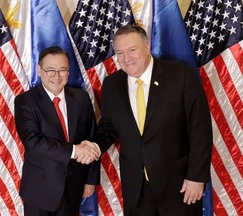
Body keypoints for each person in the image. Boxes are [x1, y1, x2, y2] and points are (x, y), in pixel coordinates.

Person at [79, 25, 213, 215]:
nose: (126, 58)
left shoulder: (181, 76)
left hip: (179, 185)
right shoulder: (112, 84)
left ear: (147, 46)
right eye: (120, 53)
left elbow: (200, 130)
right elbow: (109, 127)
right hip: (136, 189)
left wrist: (196, 177)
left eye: (132, 50)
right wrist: (94, 146)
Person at [14, 46, 100, 216]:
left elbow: (92, 137)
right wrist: (75, 151)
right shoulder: (26, 101)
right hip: (40, 190)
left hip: (73, 186)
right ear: (39, 70)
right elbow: (33, 142)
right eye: (50, 70)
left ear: (69, 71)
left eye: (62, 70)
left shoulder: (81, 98)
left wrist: (90, 180)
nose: (57, 76)